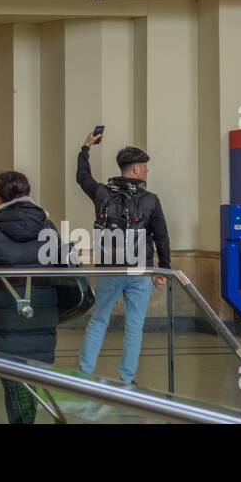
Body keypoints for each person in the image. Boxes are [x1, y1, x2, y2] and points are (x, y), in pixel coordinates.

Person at [0, 170, 61, 424]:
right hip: (40, 317)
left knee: (15, 383)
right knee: (27, 380)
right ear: (28, 195)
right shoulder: (49, 228)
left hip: (0, 321)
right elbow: (64, 273)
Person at [75, 133, 172, 387]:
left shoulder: (102, 193)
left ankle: (84, 376)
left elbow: (82, 177)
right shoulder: (151, 199)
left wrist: (86, 147)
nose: (147, 171)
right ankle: (127, 380)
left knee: (98, 320)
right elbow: (161, 236)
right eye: (146, 167)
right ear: (137, 168)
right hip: (140, 271)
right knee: (134, 325)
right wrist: (163, 269)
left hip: (110, 269)